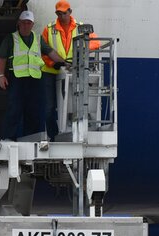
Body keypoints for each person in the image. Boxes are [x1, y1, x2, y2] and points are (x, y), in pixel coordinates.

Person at [0, 10, 67, 140]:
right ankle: (9, 137)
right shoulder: (11, 38)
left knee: (34, 110)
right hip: (17, 79)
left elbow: (51, 52)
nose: (26, 25)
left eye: (29, 23)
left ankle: (32, 137)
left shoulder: (38, 38)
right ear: (19, 23)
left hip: (35, 80)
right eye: (24, 23)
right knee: (14, 109)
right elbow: (2, 58)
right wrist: (1, 76)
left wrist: (64, 63)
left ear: (32, 24)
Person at [41, 1, 99, 138]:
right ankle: (53, 136)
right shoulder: (49, 29)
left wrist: (82, 49)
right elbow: (42, 51)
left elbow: (96, 42)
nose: (62, 16)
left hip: (71, 72)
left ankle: (70, 133)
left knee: (71, 106)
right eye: (59, 13)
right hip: (51, 72)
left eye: (64, 13)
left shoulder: (80, 28)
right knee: (49, 108)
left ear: (70, 12)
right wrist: (51, 63)